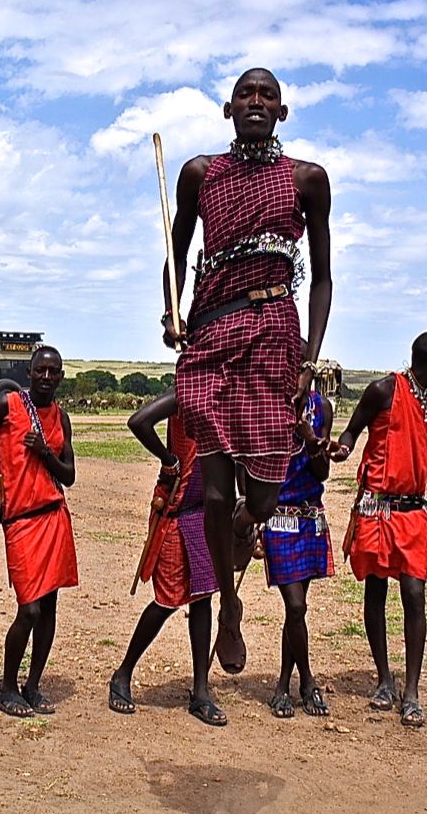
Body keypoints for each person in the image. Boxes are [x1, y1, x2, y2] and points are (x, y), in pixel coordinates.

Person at [162, 67, 333, 677]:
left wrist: (310, 357)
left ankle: (242, 544)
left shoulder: (306, 180)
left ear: (281, 112)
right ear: (228, 108)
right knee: (211, 490)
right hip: (210, 334)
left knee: (259, 496)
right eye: (246, 94)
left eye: (268, 96)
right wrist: (170, 310)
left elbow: (323, 276)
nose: (256, 102)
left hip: (274, 339)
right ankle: (228, 604)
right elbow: (175, 253)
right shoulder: (200, 174)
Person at [329, 332, 427, 729]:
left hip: (412, 512)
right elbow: (353, 431)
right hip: (377, 508)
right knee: (376, 589)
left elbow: (420, 449)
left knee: (414, 593)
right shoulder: (382, 390)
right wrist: (343, 449)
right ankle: (385, 680)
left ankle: (411, 691)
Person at [108, 391, 226, 726]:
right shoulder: (185, 394)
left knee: (204, 599)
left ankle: (201, 691)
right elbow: (139, 421)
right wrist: (168, 458)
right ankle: (122, 674)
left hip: (205, 512)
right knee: (168, 599)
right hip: (176, 509)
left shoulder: (228, 395)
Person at [0, 346, 78, 717]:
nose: (47, 377)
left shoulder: (61, 418)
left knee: (49, 607)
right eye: (40, 370)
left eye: (54, 371)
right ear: (29, 373)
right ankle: (6, 686)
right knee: (29, 608)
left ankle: (33, 685)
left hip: (54, 515)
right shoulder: (8, 406)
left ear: (61, 376)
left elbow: (69, 475)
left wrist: (45, 453)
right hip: (20, 520)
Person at [260, 367, 337, 718]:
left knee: (298, 607)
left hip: (309, 516)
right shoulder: (265, 405)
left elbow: (322, 472)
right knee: (295, 606)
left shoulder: (322, 409)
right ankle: (307, 681)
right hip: (277, 515)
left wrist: (309, 437)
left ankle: (281, 685)